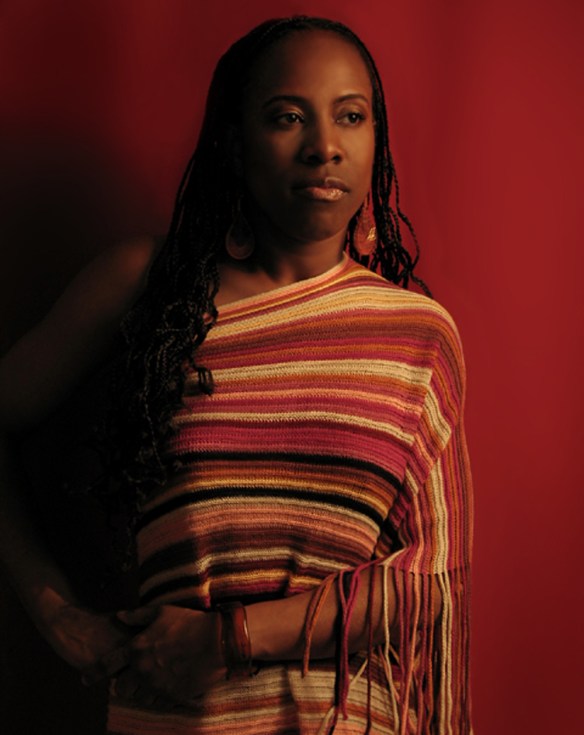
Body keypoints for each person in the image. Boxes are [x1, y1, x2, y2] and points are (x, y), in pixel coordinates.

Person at [0, 15, 473, 735]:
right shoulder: (150, 288)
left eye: (351, 116)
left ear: (376, 139)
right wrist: (56, 612)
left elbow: (433, 582)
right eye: (287, 117)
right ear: (235, 141)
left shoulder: (416, 333)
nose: (324, 146)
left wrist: (229, 639)